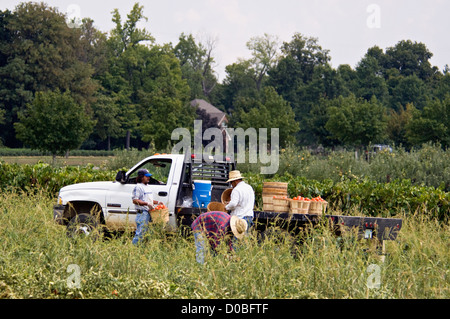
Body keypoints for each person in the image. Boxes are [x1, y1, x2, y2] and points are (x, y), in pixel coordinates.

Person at [131, 169, 162, 245]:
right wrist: (146, 203)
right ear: (141, 177)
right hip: (142, 213)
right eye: (146, 176)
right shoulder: (138, 187)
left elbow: (148, 199)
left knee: (148, 233)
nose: (148, 178)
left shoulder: (147, 186)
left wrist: (157, 202)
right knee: (140, 233)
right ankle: (134, 249)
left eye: (149, 177)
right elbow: (135, 200)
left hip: (148, 213)